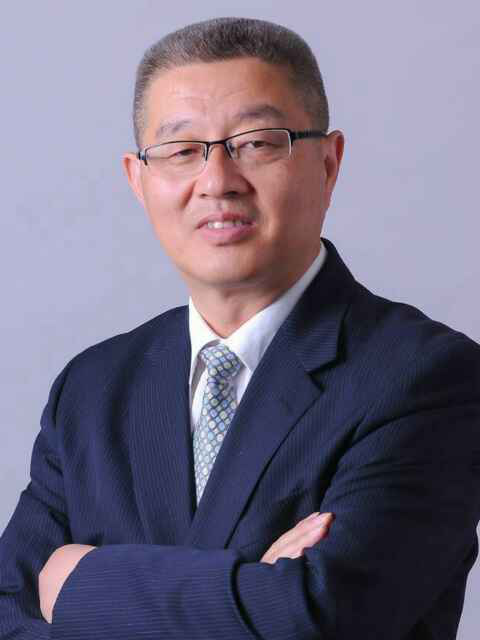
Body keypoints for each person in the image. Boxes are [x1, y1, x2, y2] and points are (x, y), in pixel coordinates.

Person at [1, 16, 479, 640]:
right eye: (181, 151)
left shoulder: (425, 377)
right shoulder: (92, 389)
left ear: (328, 162)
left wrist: (80, 582)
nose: (218, 181)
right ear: (138, 180)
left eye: (256, 143)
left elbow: (317, 619)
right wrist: (255, 587)